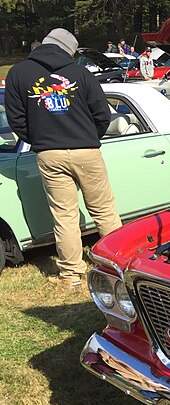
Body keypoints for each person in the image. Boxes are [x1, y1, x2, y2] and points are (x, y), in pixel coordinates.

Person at [4, 28, 121, 289]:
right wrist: (90, 135)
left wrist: (39, 139)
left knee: (64, 216)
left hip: (49, 153)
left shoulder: (18, 74)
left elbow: (16, 120)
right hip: (86, 150)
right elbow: (102, 113)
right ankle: (118, 265)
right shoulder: (81, 73)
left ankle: (71, 275)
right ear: (68, 50)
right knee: (104, 211)